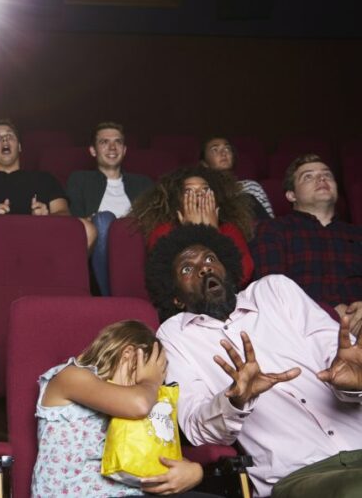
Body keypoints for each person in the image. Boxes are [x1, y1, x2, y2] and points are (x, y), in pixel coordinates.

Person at [145, 223, 362, 498]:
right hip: (299, 473)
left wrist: (354, 383)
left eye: (210, 258)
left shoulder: (275, 290)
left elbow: (339, 356)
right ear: (175, 298)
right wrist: (235, 400)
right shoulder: (175, 335)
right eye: (187, 269)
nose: (204, 268)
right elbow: (195, 428)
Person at [32, 320, 214, 498]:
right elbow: (139, 405)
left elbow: (157, 452)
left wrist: (194, 471)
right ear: (128, 355)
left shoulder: (138, 398)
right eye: (152, 371)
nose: (157, 384)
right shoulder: (70, 376)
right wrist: (149, 380)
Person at [0, 119, 95, 296]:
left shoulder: (44, 178)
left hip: (39, 240)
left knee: (86, 229)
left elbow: (65, 214)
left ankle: (56, 297)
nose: (5, 141)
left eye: (9, 136)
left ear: (19, 146)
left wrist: (47, 216)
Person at [251, 153, 362, 336]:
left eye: (327, 175)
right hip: (300, 331)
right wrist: (329, 312)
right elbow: (270, 291)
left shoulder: (357, 234)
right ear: (291, 194)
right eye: (308, 176)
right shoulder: (273, 230)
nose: (321, 178)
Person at [66, 121, 154, 295]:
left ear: (125, 150)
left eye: (118, 142)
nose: (112, 147)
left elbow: (153, 221)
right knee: (103, 219)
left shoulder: (143, 183)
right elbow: (73, 223)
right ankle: (111, 298)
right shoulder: (80, 180)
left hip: (136, 246)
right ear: (93, 150)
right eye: (104, 142)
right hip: (99, 251)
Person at [130, 165, 254, 285]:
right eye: (189, 192)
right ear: (177, 201)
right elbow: (169, 279)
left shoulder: (229, 229)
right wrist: (192, 232)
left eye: (205, 190)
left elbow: (243, 274)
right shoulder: (164, 231)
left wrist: (212, 233)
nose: (199, 195)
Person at [199, 136, 273, 219]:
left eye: (227, 148)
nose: (223, 153)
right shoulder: (202, 193)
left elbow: (269, 225)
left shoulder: (251, 186)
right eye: (215, 150)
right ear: (204, 163)